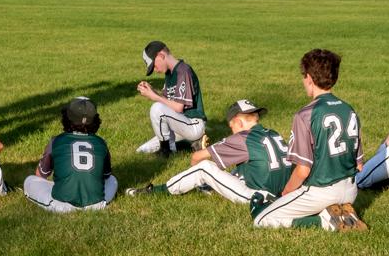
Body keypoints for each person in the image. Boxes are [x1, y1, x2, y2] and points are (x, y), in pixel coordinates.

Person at [253, 49, 367, 231]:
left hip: (321, 191)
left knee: (262, 219)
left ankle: (325, 222)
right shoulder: (349, 109)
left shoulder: (305, 114)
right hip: (351, 190)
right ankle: (343, 213)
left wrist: (286, 193)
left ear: (309, 78)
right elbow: (359, 165)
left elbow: (303, 170)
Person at [127, 99, 291, 212]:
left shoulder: (242, 137)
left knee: (203, 169)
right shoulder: (272, 133)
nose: (231, 131)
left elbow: (196, 157)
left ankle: (156, 191)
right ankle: (207, 186)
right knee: (237, 172)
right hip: (284, 193)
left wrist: (194, 169)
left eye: (231, 126)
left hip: (258, 198)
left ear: (239, 122)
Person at [24, 97, 117, 212]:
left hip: (62, 205)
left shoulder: (57, 141)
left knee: (29, 180)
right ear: (95, 120)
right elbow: (106, 175)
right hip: (96, 204)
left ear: (67, 118)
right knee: (113, 180)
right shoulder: (100, 142)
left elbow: (41, 175)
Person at [135, 41, 207, 157]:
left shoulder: (183, 71)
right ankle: (189, 145)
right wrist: (152, 91)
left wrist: (155, 97)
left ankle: (167, 151)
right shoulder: (170, 74)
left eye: (154, 65)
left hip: (193, 124)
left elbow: (178, 107)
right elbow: (168, 102)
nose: (155, 70)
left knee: (157, 107)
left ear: (161, 55)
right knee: (142, 150)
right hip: (180, 124)